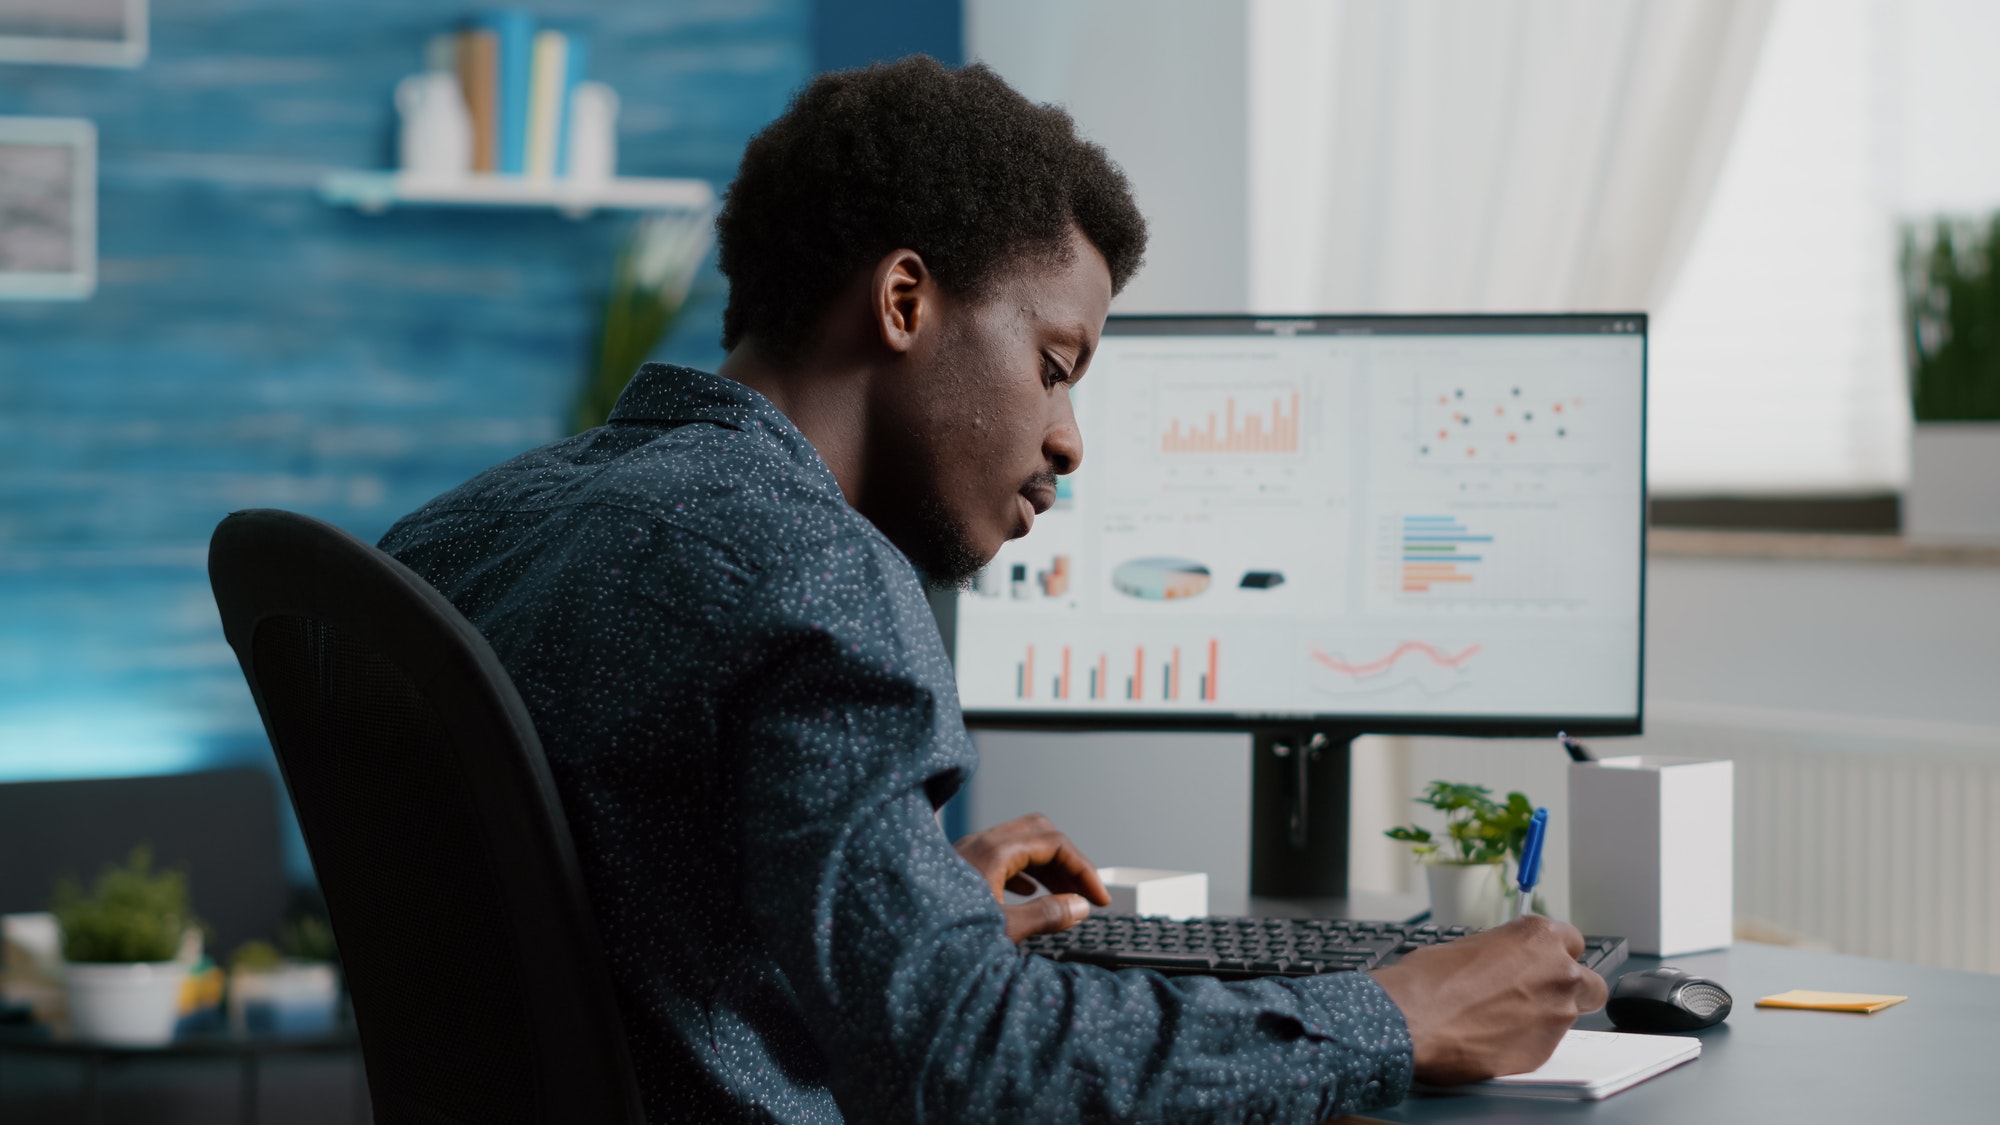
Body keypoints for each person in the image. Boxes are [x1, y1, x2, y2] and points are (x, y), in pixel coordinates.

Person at [381, 56, 1606, 1123]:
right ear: (904, 301)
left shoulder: (475, 529)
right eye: (1054, 366)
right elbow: (967, 1072)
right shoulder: (814, 567)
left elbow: (621, 919)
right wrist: (1389, 1014)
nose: (1068, 440)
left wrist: (902, 914)